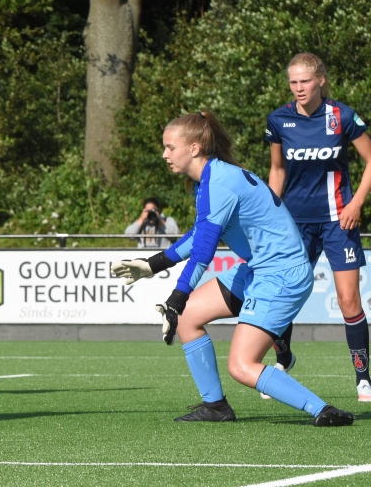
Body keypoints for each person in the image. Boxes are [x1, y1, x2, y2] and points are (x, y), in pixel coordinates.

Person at [114, 111, 354, 426]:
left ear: (195, 148)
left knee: (241, 366)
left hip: (282, 276)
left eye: (170, 147)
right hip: (260, 269)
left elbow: (203, 251)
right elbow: (199, 235)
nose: (164, 154)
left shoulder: (220, 182)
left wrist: (176, 298)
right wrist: (152, 264)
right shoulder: (210, 180)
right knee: (189, 318)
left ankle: (323, 410)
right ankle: (215, 406)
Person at [266, 52, 371, 402]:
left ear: (321, 81)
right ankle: (283, 360)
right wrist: (268, 215)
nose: (298, 88)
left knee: (348, 299)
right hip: (294, 224)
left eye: (305, 81)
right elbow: (278, 171)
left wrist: (356, 203)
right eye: (293, 82)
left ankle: (363, 379)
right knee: (283, 296)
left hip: (339, 220)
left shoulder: (342, 116)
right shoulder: (279, 120)